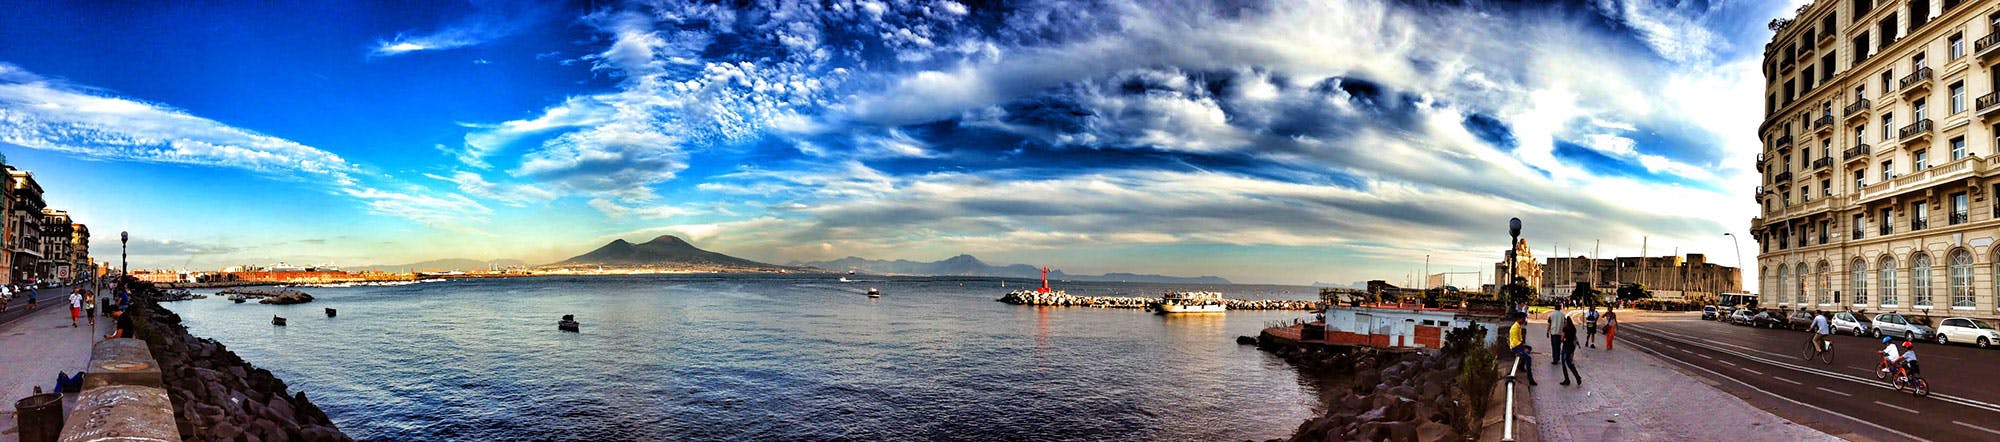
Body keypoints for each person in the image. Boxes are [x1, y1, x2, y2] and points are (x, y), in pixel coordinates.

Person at [1510, 312, 1537, 386]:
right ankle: (1530, 378)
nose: (1524, 320)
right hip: (1515, 348)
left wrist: (1524, 347)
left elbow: (1520, 340)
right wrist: (1523, 349)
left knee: (1529, 348)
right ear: (1519, 319)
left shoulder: (1518, 326)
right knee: (1528, 358)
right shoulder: (1515, 328)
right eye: (1523, 319)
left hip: (1518, 346)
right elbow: (1516, 343)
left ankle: (1521, 365)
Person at [1559, 312, 1583, 386]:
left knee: (1564, 363)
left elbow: (1562, 338)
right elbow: (1574, 337)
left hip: (1566, 347)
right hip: (1572, 347)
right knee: (1570, 363)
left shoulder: (1565, 328)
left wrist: (1562, 340)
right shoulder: (1573, 328)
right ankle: (1577, 377)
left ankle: (1567, 379)